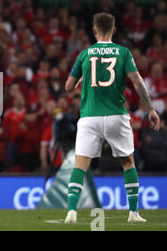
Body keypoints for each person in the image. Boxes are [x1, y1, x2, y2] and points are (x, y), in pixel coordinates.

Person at [63, 13, 160, 224]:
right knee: (128, 162)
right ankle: (133, 213)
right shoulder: (124, 53)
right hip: (116, 115)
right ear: (114, 30)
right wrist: (150, 108)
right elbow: (137, 81)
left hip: (89, 117)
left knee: (80, 164)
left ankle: (71, 211)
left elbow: (68, 87)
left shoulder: (85, 54)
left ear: (94, 30)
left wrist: (81, 78)